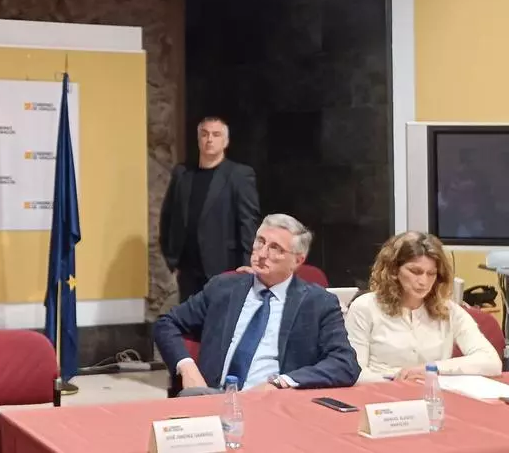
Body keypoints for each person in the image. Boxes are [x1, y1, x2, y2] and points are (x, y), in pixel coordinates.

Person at [154, 214, 359, 395]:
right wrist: (187, 367)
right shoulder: (224, 288)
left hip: (273, 404)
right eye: (260, 242)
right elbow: (166, 323)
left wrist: (282, 382)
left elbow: (345, 363)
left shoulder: (318, 303)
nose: (261, 254)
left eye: (275, 248)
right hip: (210, 397)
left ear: (297, 261)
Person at [344, 232, 501, 383]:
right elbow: (354, 373)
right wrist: (399, 380)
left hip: (432, 393)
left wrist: (432, 368)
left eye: (431, 273)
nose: (423, 281)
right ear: (393, 270)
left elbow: (491, 362)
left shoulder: (448, 310)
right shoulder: (364, 307)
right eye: (415, 272)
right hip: (380, 392)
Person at [159, 116, 261, 301]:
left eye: (216, 134)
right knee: (190, 317)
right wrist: (171, 255)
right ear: (199, 139)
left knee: (221, 317)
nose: (209, 139)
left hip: (225, 266)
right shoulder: (182, 173)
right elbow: (168, 215)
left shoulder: (238, 175)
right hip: (188, 270)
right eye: (205, 134)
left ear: (225, 141)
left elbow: (248, 222)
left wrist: (248, 263)